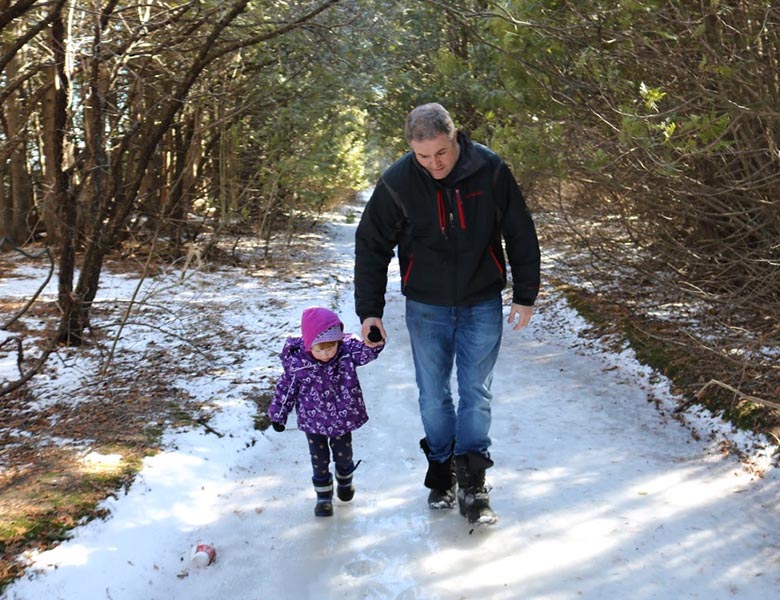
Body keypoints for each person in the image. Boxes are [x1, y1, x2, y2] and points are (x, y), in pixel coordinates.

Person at [354, 102, 540, 525]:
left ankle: (473, 481)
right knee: (433, 394)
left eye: (440, 152)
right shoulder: (398, 181)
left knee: (476, 393)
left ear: (455, 137)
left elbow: (520, 231)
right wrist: (370, 310)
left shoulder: (490, 171)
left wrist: (525, 294)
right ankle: (442, 472)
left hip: (481, 302)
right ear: (411, 151)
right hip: (426, 307)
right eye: (423, 156)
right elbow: (371, 246)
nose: (433, 164)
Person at [269, 306, 384, 517]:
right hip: (313, 423)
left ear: (338, 342)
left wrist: (375, 339)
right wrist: (278, 414)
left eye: (330, 348)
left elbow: (368, 353)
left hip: (342, 418)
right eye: (319, 350)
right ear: (308, 345)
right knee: (319, 460)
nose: (325, 354)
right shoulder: (298, 364)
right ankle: (323, 498)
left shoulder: (347, 352)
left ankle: (345, 483)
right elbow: (286, 389)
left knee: (344, 456)